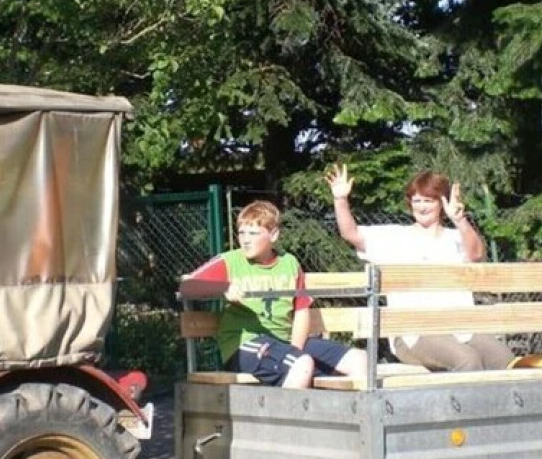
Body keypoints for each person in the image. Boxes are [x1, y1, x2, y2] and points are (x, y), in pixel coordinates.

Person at [326, 164, 513, 371]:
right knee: (467, 360)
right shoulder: (396, 238)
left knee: (505, 359)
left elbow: (476, 255)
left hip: (462, 329)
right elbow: (351, 234)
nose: (422, 207)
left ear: (441, 203)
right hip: (413, 333)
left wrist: (460, 220)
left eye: (429, 201)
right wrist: (340, 199)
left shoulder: (456, 237)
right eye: (417, 201)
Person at [184, 201, 367, 388]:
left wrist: (294, 349)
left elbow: (301, 310)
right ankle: (288, 416)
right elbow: (187, 286)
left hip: (285, 342)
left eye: (253, 233)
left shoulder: (290, 263)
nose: (245, 239)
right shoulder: (230, 261)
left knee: (360, 361)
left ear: (274, 235)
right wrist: (224, 288)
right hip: (244, 345)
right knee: (301, 365)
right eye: (241, 233)